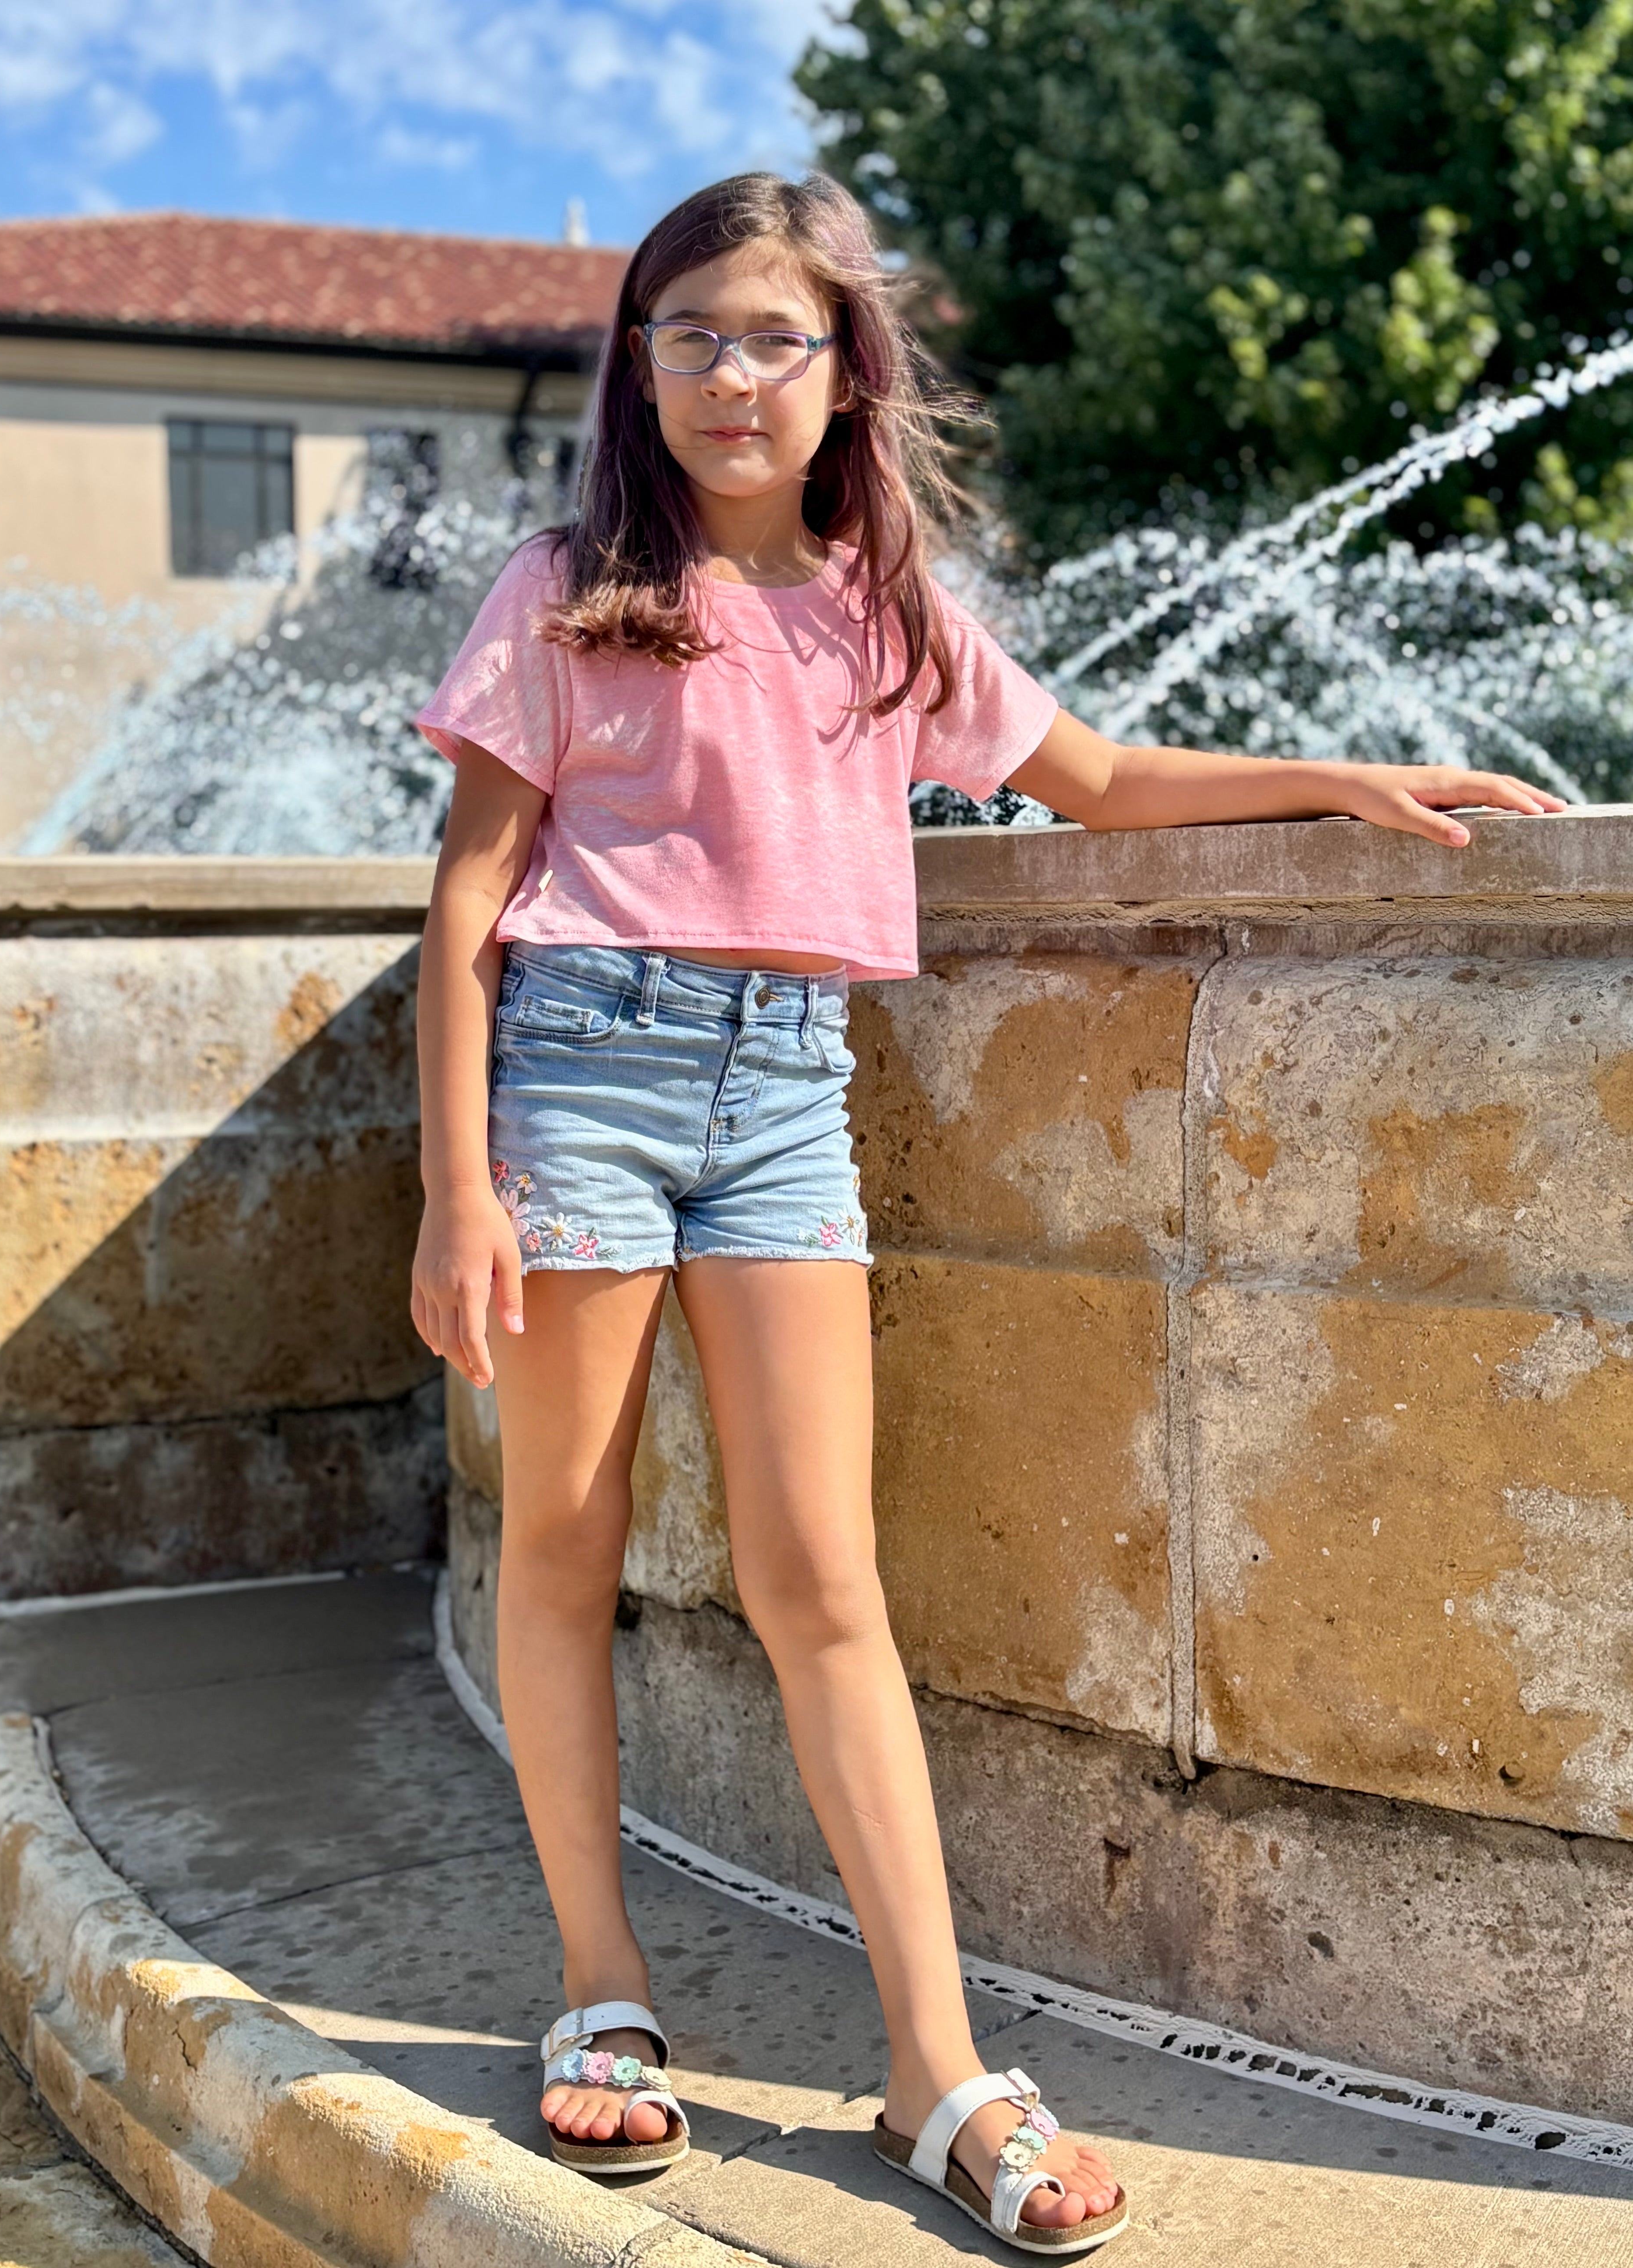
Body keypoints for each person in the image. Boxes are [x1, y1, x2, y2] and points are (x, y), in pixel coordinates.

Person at [408, 171, 1563, 2256]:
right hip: (579, 1072)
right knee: (564, 1545)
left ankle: (932, 2059)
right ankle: (604, 1980)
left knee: (822, 1579)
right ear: (636, 366)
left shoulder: (886, 609)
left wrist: (1342, 781)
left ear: (846, 368)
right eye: (685, 334)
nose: (725, 374)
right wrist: (454, 1183)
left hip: (784, 1098)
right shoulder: (570, 584)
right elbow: (472, 898)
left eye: (769, 335)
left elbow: (1097, 779)